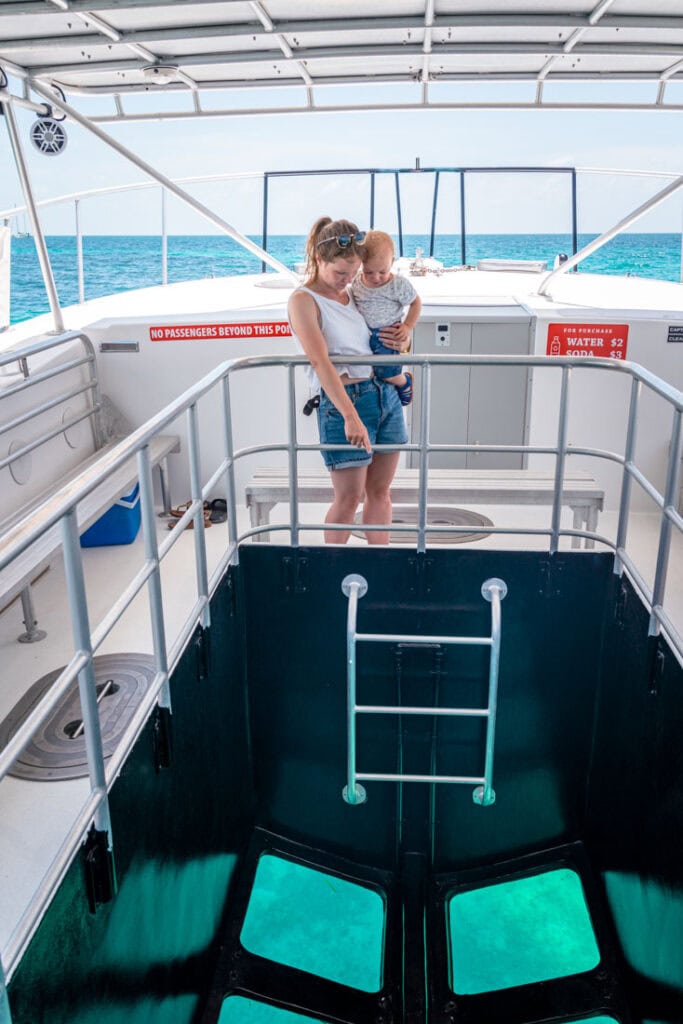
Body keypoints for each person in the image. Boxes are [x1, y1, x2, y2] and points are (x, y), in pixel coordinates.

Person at [288, 217, 410, 545]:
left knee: (380, 492)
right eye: (340, 273)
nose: (347, 280)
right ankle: (334, 572)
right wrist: (350, 416)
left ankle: (379, 564)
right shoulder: (304, 301)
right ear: (318, 260)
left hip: (385, 396)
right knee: (348, 499)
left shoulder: (353, 293)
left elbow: (380, 330)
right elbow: (319, 360)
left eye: (353, 273)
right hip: (346, 401)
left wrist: (403, 340)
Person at [351, 230, 422, 406]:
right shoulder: (356, 283)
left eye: (382, 271)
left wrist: (407, 327)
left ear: (392, 262)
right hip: (366, 335)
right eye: (369, 272)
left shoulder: (398, 285)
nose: (376, 278)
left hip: (388, 334)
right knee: (370, 370)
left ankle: (404, 382)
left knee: (387, 372)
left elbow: (416, 303)